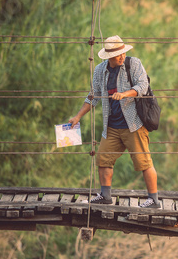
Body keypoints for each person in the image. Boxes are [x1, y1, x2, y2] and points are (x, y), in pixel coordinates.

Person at [69, 35, 160, 208]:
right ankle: (105, 195)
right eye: (118, 54)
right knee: (103, 159)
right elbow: (93, 95)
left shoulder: (133, 64)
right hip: (111, 125)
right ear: (108, 56)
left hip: (133, 124)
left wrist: (124, 94)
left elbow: (143, 86)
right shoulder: (100, 71)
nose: (122, 56)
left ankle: (153, 199)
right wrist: (78, 116)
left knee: (144, 162)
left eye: (123, 52)